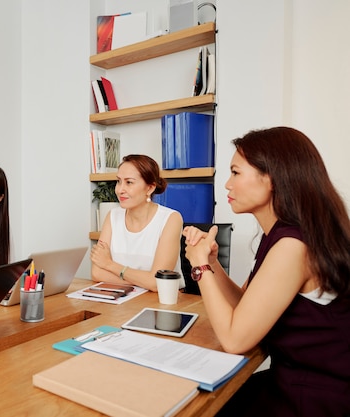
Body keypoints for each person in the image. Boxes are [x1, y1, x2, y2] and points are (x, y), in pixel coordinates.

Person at [183, 127, 350, 416]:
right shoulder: (279, 235)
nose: (227, 184)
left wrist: (199, 267)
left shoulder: (292, 246)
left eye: (236, 173)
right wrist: (213, 264)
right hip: (294, 379)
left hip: (317, 395)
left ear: (271, 178)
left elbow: (235, 340)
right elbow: (245, 306)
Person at [90, 154, 183, 291]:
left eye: (129, 182)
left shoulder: (171, 219)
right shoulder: (112, 216)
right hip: (122, 301)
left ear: (150, 188)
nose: (120, 190)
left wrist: (110, 265)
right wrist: (144, 281)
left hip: (161, 302)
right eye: (119, 181)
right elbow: (97, 273)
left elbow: (158, 282)